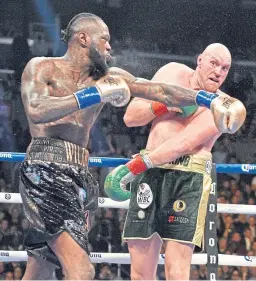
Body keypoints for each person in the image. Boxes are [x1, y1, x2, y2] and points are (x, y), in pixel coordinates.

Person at [19, 12, 244, 280]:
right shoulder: (42, 67)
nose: (109, 47)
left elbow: (162, 91)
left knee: (42, 267)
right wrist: (92, 95)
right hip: (45, 168)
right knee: (81, 270)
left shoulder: (109, 76)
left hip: (81, 171)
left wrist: (209, 100)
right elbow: (35, 109)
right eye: (104, 40)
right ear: (83, 38)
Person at [104, 44, 245, 280]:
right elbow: (131, 117)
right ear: (200, 60)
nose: (219, 71)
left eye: (225, 68)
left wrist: (135, 167)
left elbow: (184, 143)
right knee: (139, 272)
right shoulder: (171, 73)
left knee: (176, 271)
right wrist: (163, 104)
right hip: (150, 175)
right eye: (214, 63)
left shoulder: (224, 106)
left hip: (186, 179)